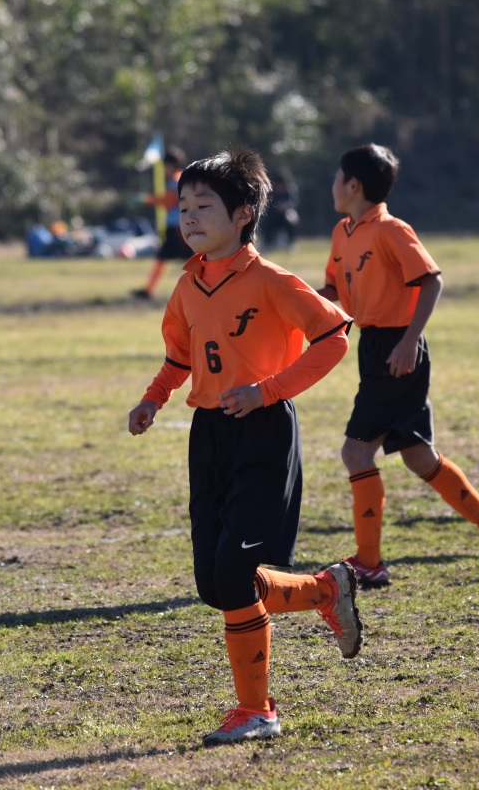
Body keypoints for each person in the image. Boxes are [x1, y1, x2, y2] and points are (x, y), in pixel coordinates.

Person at [128, 146, 362, 746]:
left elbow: (335, 336)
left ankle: (256, 711)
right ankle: (325, 590)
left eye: (203, 206)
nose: (188, 217)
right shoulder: (187, 285)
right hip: (209, 436)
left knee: (234, 572)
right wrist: (153, 399)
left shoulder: (272, 281)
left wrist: (267, 391)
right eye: (183, 207)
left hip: (263, 432)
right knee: (215, 585)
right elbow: (180, 356)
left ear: (243, 214)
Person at [319, 144, 479, 587]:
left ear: (353, 185)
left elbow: (431, 282)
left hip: (398, 348)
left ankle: (369, 562)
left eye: (337, 177)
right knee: (416, 455)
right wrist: (297, 305)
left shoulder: (392, 229)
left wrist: (409, 341)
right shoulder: (342, 232)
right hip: (373, 346)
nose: (332, 184)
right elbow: (333, 291)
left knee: (356, 452)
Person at [132, 148, 194, 299]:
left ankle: (203, 287)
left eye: (165, 166)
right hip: (175, 226)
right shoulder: (182, 179)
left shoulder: (176, 181)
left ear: (172, 165)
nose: (164, 169)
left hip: (178, 227)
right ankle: (148, 290)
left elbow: (169, 202)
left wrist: (147, 199)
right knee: (162, 257)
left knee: (192, 260)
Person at [262, 170, 299, 251]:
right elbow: (267, 203)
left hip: (286, 214)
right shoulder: (271, 191)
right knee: (267, 221)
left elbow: (293, 201)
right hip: (273, 215)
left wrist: (285, 206)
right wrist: (275, 207)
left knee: (291, 219)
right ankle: (268, 243)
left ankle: (291, 243)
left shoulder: (290, 189)